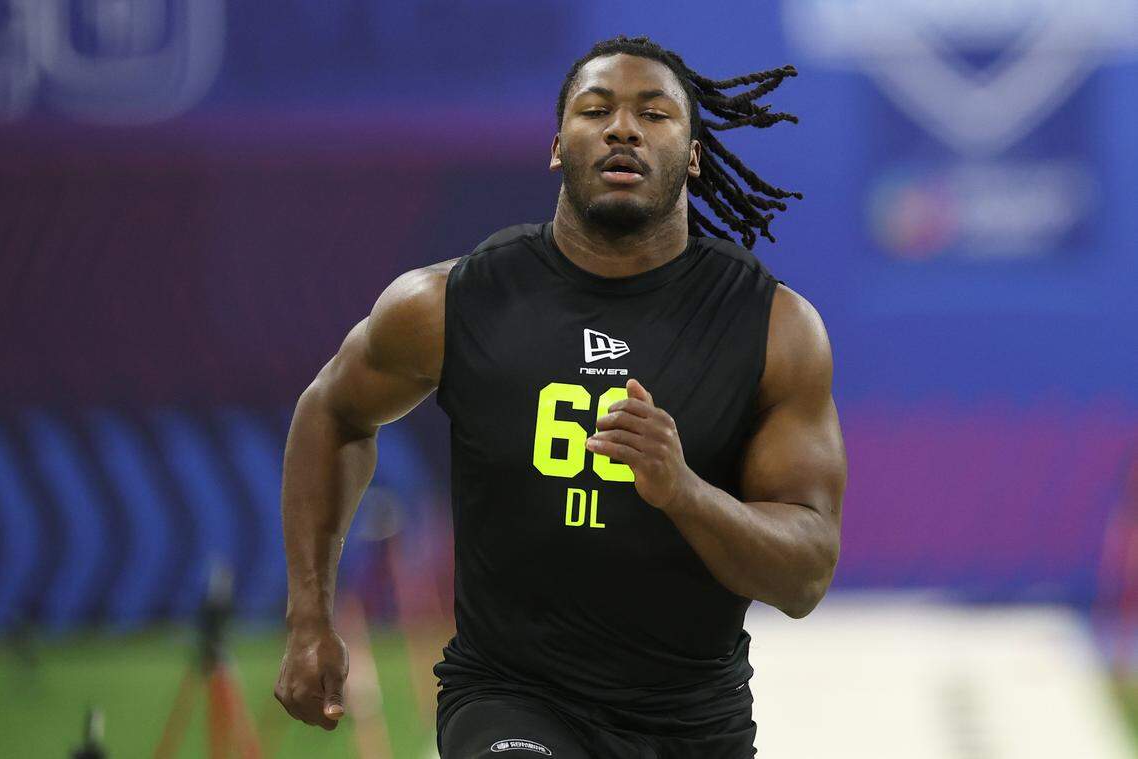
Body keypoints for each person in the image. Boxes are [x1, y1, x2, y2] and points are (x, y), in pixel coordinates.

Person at [274, 34, 846, 758]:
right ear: (556, 146)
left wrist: (684, 492)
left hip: (691, 723)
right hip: (509, 697)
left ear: (694, 156)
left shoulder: (772, 328)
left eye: (656, 113)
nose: (623, 128)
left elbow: (806, 572)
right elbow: (332, 410)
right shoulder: (451, 302)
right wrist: (309, 618)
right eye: (596, 109)